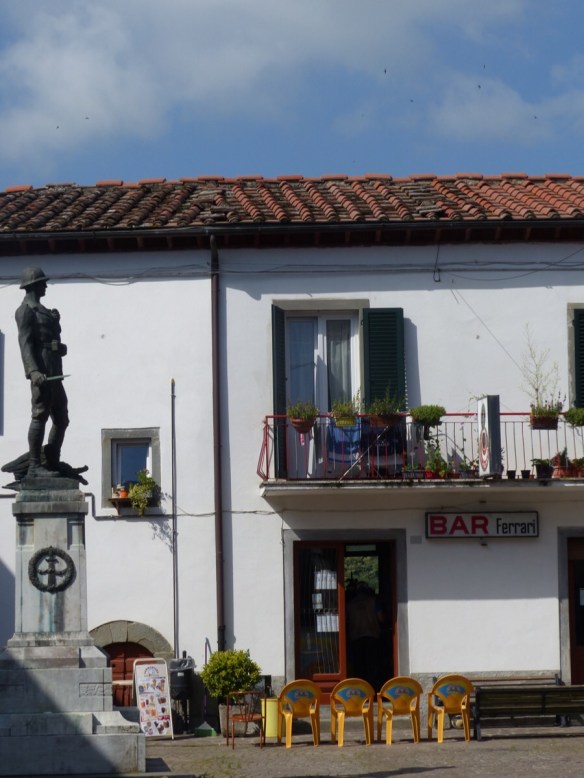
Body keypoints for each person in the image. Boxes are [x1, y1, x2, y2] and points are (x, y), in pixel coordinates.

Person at [15, 266, 69, 477]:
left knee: (62, 419)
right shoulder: (26, 310)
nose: (46, 285)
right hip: (42, 373)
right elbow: (25, 343)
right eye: (42, 283)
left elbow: (50, 340)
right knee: (40, 415)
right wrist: (33, 371)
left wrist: (60, 347)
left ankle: (52, 460)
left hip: (55, 371)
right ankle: (34, 466)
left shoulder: (44, 311)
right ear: (33, 285)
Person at [346, 581, 384, 689]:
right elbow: (381, 618)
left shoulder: (349, 604)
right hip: (372, 636)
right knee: (372, 666)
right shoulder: (374, 601)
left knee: (359, 667)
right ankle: (373, 690)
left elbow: (345, 621)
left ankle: (360, 690)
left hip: (356, 637)